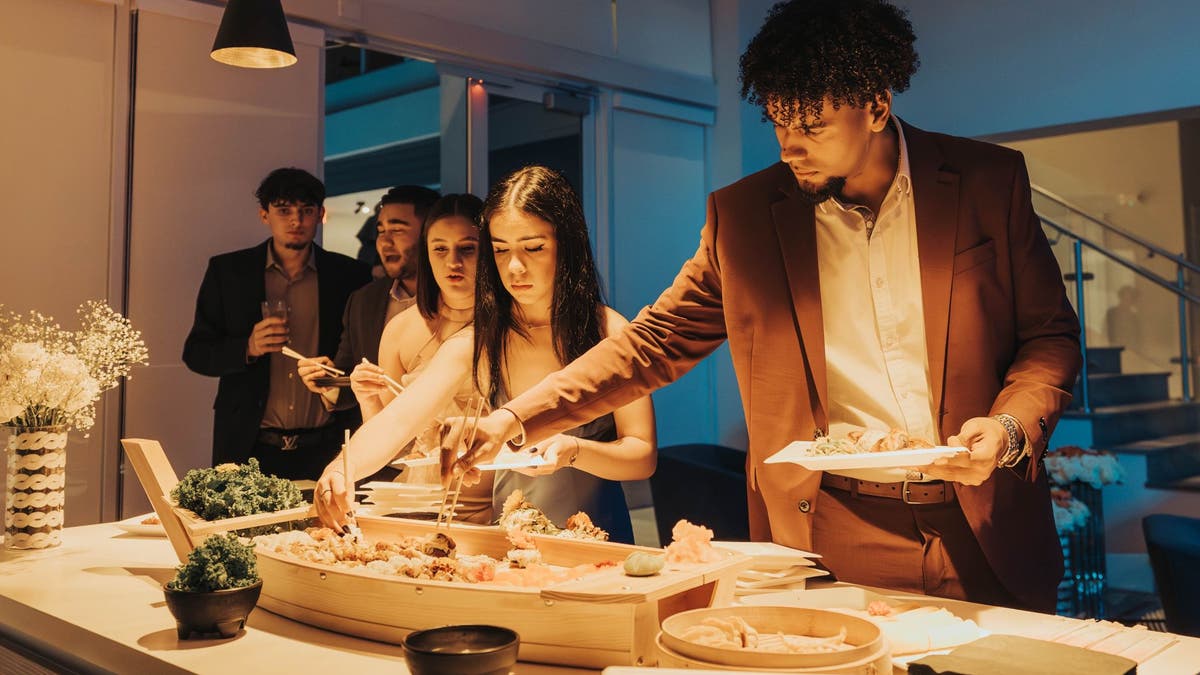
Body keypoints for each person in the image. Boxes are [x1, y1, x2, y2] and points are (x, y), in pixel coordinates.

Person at [444, 0, 1081, 613]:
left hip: (981, 520)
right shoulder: (744, 218)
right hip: (832, 527)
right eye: (778, 122)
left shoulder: (987, 183)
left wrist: (1008, 428)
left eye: (810, 126)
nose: (787, 146)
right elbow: (653, 342)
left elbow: (1049, 337)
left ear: (877, 107)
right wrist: (518, 418)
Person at [472, 166, 656, 544]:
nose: (514, 267)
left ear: (566, 243)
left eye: (534, 247)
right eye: (500, 250)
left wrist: (575, 449)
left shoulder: (609, 332)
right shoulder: (486, 335)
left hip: (595, 542)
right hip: (508, 541)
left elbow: (642, 455)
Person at [314, 194, 495, 526]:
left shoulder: (507, 329)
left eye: (467, 249)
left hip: (500, 502)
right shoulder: (400, 329)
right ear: (426, 253)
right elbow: (394, 442)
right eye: (440, 249)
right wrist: (367, 402)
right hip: (419, 504)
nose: (453, 262)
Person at [183, 167, 371, 480]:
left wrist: (337, 374)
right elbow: (196, 353)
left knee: (329, 529)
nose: (296, 221)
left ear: (320, 214)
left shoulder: (350, 276)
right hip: (248, 446)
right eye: (284, 210)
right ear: (264, 215)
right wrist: (248, 347)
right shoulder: (229, 272)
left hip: (328, 445)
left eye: (306, 211)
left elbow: (364, 357)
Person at [297, 185, 439, 418]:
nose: (384, 242)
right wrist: (328, 380)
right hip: (382, 439)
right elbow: (349, 383)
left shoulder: (457, 297)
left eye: (398, 230)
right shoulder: (364, 301)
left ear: (430, 234)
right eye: (381, 231)